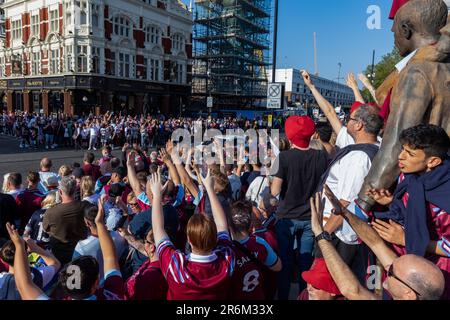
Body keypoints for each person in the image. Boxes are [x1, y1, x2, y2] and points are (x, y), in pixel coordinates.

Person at [357, 0, 450, 211]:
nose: (394, 39)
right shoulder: (445, 67)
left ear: (406, 30)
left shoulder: (417, 72)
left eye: (394, 32)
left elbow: (395, 145)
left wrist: (363, 202)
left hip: (421, 194)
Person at [310, 185, 445, 300]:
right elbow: (376, 244)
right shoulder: (407, 284)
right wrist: (345, 213)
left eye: (391, 273)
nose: (387, 270)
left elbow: (351, 290)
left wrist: (321, 235)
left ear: (409, 294)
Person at [367, 124, 450, 299]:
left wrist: (407, 239)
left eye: (410, 154)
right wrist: (391, 202)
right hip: (401, 261)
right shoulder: (410, 176)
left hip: (433, 272)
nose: (401, 157)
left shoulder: (445, 197)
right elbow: (411, 211)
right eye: (403, 149)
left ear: (433, 161)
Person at [6, 196, 125, 300]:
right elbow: (110, 257)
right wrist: (99, 223)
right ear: (96, 283)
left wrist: (19, 246)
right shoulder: (112, 294)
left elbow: (24, 286)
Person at [151, 169, 235, 300]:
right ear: (215, 237)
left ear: (189, 239)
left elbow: (157, 229)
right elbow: (222, 225)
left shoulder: (176, 265)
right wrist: (211, 190)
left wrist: (156, 196)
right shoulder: (226, 260)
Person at [271, 115, 329, 299]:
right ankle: (305, 296)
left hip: (286, 217)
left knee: (285, 262)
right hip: (309, 217)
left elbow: (275, 191)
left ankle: (283, 296)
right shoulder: (321, 157)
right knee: (306, 261)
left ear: (289, 137)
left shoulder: (284, 157)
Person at [228, 201, 281, 300]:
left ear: (229, 225)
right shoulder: (259, 243)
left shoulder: (227, 250)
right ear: (251, 226)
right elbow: (278, 267)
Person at [73, 205, 127, 280]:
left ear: (87, 223)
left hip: (96, 288)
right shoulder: (120, 236)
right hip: (117, 279)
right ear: (104, 217)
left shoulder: (81, 247)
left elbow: (74, 280)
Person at [43, 177, 89, 265]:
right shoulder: (86, 206)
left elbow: (46, 229)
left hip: (59, 255)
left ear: (60, 192)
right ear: (75, 190)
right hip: (81, 251)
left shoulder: (51, 212)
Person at [124, 230, 168, 300]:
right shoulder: (163, 263)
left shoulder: (149, 278)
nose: (144, 244)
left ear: (152, 247)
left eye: (145, 241)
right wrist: (126, 235)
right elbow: (142, 248)